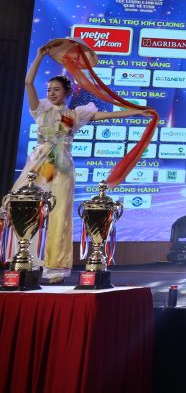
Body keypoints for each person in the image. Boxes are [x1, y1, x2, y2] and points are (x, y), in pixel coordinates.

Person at [10, 41, 151, 284]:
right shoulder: (40, 110)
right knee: (23, 205)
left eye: (56, 89)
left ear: (67, 93)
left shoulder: (75, 115)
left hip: (61, 165)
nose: (51, 93)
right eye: (49, 89)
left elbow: (108, 115)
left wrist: (137, 111)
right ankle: (24, 259)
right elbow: (28, 83)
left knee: (59, 213)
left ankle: (55, 268)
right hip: (41, 164)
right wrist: (40, 56)